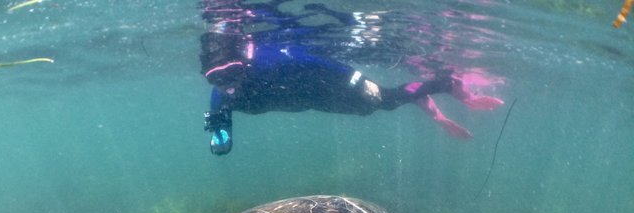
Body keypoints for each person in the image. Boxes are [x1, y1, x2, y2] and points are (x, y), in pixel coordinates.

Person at [201, 1, 503, 155]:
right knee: (371, 109)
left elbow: (315, 61)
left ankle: (445, 83)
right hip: (314, 100)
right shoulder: (221, 99)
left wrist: (359, 81)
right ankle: (428, 95)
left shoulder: (268, 61)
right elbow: (221, 138)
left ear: (245, 62)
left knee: (382, 100)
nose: (229, 83)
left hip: (324, 83)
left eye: (234, 72)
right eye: (217, 79)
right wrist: (220, 138)